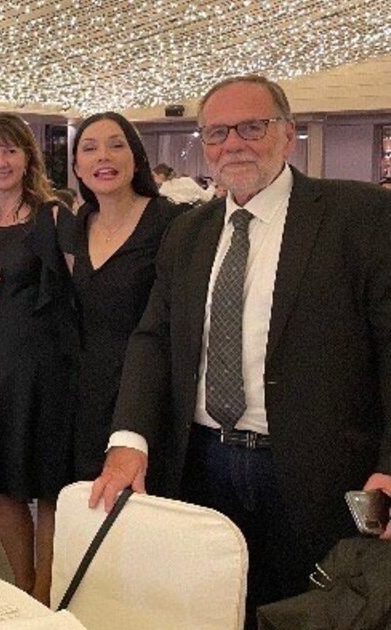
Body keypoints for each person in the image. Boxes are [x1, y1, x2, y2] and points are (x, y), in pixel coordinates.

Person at [90, 75, 391, 621]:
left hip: (316, 473)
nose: (233, 144)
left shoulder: (359, 217)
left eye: (252, 127)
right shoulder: (188, 232)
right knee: (209, 611)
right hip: (201, 464)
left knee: (306, 615)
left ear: (288, 134)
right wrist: (129, 438)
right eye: (217, 133)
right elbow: (154, 338)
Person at [0, 113, 75, 603]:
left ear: (28, 157)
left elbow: (80, 289)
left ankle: (46, 594)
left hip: (45, 367)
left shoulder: (53, 215)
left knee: (48, 485)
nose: (0, 162)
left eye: (9, 151)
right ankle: (24, 591)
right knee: (2, 484)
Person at [64, 112, 184, 483]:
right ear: (77, 168)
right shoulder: (81, 221)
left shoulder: (172, 222)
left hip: (148, 392)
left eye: (116, 145)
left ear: (137, 159)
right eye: (89, 149)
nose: (103, 156)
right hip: (87, 393)